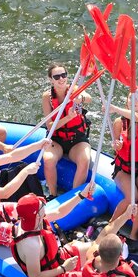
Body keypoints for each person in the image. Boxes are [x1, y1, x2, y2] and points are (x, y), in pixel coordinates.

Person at [9, 184, 109, 277]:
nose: (44, 204)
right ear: (36, 215)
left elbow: (59, 212)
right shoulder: (31, 245)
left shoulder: (32, 220)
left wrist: (81, 195)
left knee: (94, 249)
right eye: (41, 206)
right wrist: (63, 268)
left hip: (58, 258)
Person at [106, 90, 138, 250]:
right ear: (127, 101)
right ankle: (110, 227)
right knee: (132, 196)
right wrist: (117, 146)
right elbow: (116, 146)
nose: (134, 102)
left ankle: (133, 235)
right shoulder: (119, 123)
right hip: (124, 169)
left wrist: (115, 108)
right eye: (131, 98)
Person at [41, 63, 93, 199]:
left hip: (77, 139)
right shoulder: (47, 97)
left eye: (63, 75)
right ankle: (52, 194)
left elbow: (88, 98)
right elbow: (49, 126)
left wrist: (80, 98)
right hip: (57, 139)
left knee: (85, 159)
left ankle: (74, 197)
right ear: (51, 80)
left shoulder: (75, 90)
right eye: (56, 76)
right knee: (48, 159)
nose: (61, 79)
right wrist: (68, 118)